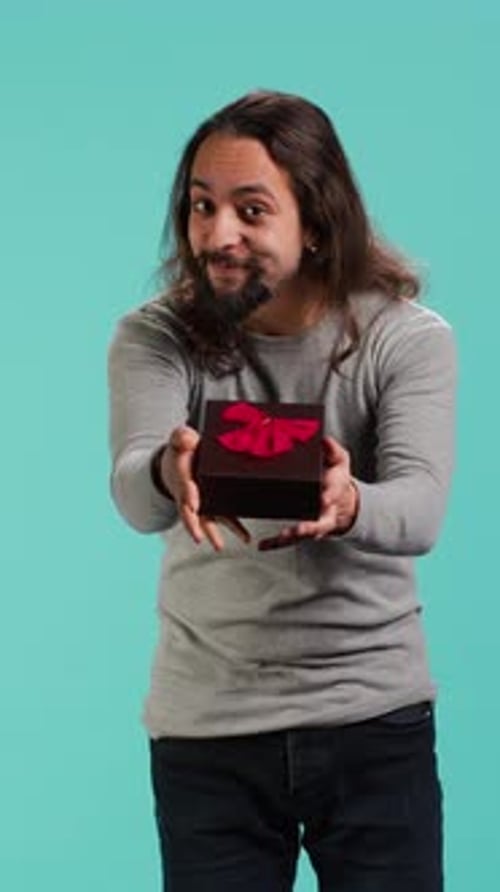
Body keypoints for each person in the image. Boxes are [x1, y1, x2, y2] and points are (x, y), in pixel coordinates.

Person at [107, 90, 457, 892]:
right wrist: (172, 469)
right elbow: (134, 493)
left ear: (318, 219)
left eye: (251, 209)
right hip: (209, 732)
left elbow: (422, 506)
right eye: (201, 206)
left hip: (374, 722)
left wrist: (350, 502)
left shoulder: (405, 339)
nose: (216, 234)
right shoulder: (155, 336)